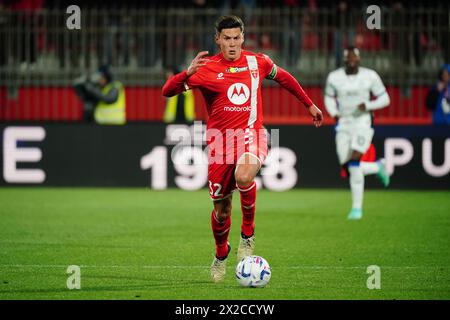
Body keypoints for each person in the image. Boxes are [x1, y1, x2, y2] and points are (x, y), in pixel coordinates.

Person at [162, 15, 323, 282]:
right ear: (218, 40)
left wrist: (309, 104)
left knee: (244, 176)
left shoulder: (257, 61)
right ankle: (220, 253)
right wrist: (185, 74)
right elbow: (168, 91)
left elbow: (284, 78)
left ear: (243, 38)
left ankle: (247, 234)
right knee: (221, 211)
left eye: (237, 37)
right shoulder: (205, 68)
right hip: (220, 144)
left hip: (252, 134)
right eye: (227, 38)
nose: (233, 44)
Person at [324, 46, 390, 220]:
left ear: (359, 59)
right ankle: (377, 167)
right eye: (349, 59)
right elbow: (328, 98)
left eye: (355, 58)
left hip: (363, 122)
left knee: (354, 162)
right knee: (346, 165)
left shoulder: (370, 76)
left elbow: (385, 99)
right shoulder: (334, 77)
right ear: (345, 60)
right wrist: (334, 113)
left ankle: (356, 209)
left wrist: (368, 106)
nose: (352, 61)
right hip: (343, 123)